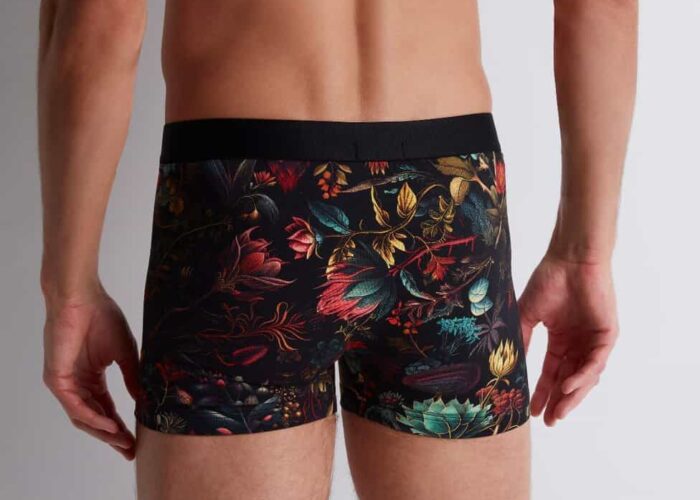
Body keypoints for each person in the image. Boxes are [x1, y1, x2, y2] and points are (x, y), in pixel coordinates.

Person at [37, 1, 637, 499]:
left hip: (246, 203)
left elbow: (100, 22)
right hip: (447, 202)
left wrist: (70, 288)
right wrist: (584, 255)